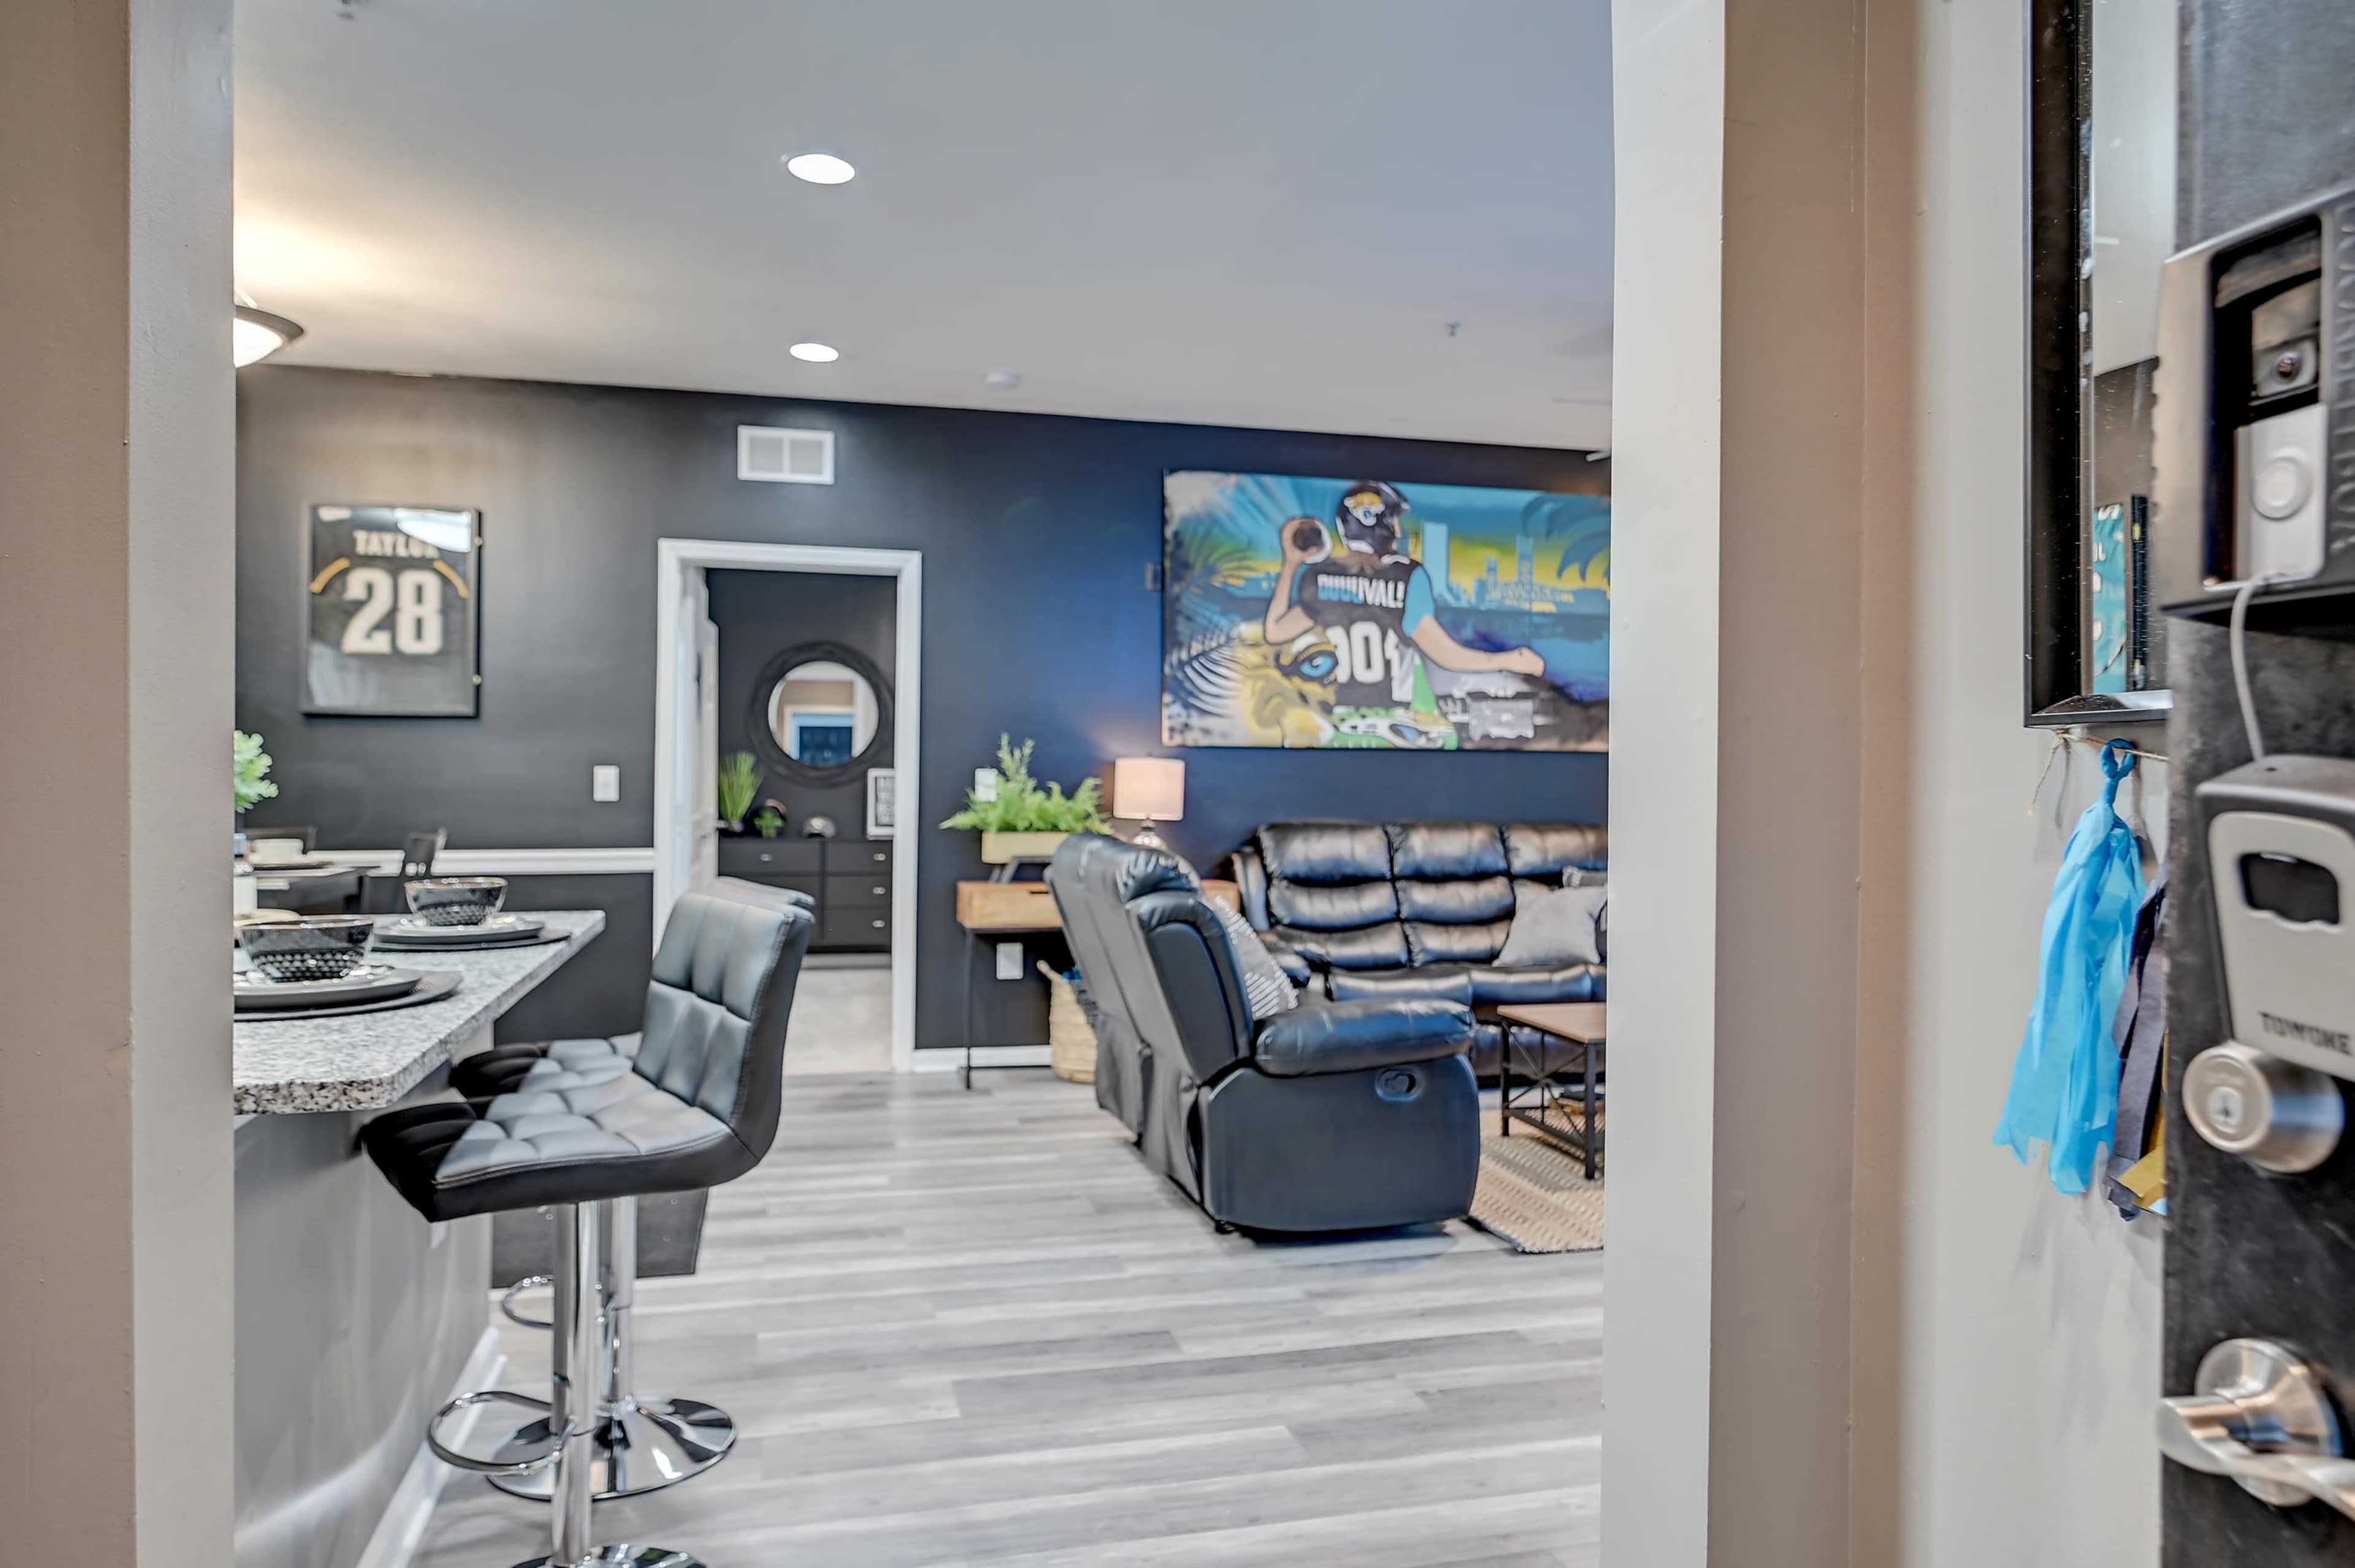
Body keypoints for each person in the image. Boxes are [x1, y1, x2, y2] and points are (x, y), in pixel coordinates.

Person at [1263, 482, 1544, 726]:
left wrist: (1290, 563)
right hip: (1393, 722)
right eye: (1394, 520)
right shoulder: (1408, 576)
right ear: (1378, 522)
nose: (1398, 532)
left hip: (1339, 721)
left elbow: (1274, 632)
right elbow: (1448, 656)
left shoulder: (1320, 578)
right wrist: (1512, 660)